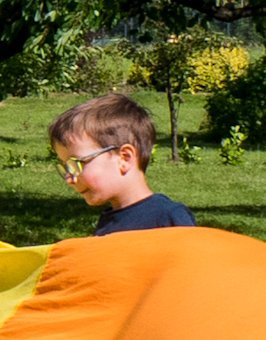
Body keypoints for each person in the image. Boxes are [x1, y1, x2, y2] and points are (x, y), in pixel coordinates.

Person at [50, 93, 196, 234]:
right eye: (67, 167)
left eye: (77, 164)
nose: (69, 179)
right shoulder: (108, 223)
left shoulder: (168, 217)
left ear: (124, 158)